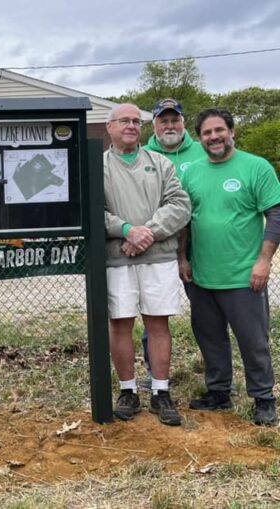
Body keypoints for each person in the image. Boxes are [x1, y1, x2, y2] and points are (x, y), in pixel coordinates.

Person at [180, 108, 280, 426]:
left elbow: (275, 215)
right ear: (200, 138)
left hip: (243, 277)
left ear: (232, 131)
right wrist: (183, 258)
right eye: (207, 133)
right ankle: (219, 393)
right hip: (201, 276)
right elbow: (184, 221)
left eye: (219, 130)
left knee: (253, 341)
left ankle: (264, 398)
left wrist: (263, 262)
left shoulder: (256, 167)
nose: (214, 137)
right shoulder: (192, 172)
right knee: (210, 339)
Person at [103, 103, 191, 426]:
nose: (131, 125)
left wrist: (147, 233)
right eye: (123, 120)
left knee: (158, 324)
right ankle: (127, 390)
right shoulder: (98, 167)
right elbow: (92, 213)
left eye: (136, 121)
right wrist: (126, 230)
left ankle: (160, 392)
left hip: (158, 258)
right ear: (108, 127)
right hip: (117, 260)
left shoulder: (161, 163)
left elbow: (180, 206)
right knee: (121, 324)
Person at [138, 98, 207, 389]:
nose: (170, 125)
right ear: (153, 125)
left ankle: (216, 377)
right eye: (163, 120)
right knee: (153, 315)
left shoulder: (204, 152)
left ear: (183, 122)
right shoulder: (141, 155)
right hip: (155, 249)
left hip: (201, 249)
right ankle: (155, 374)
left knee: (206, 316)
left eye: (174, 119)